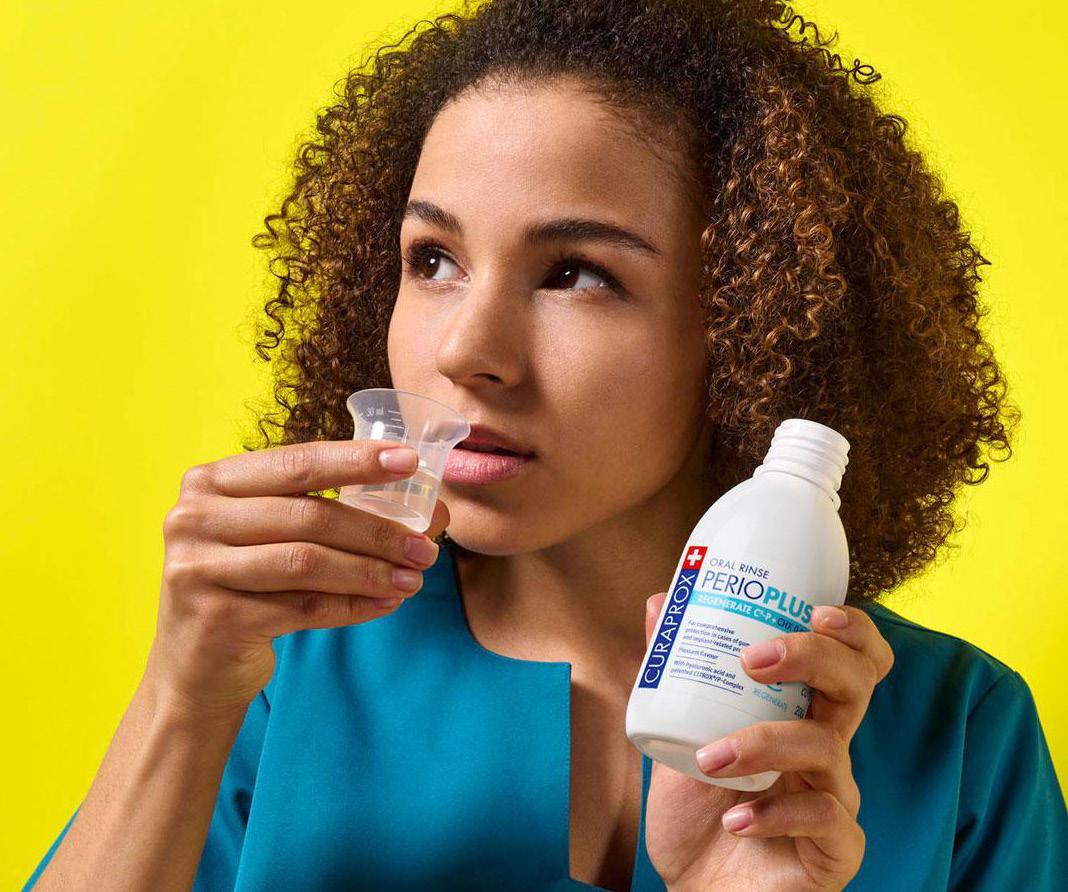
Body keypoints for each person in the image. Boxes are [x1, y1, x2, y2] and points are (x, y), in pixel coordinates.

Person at [23, 0, 1068, 889]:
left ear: (754, 323)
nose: (465, 350)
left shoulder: (956, 738)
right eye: (433, 259)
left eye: (575, 273)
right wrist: (178, 700)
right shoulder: (273, 673)